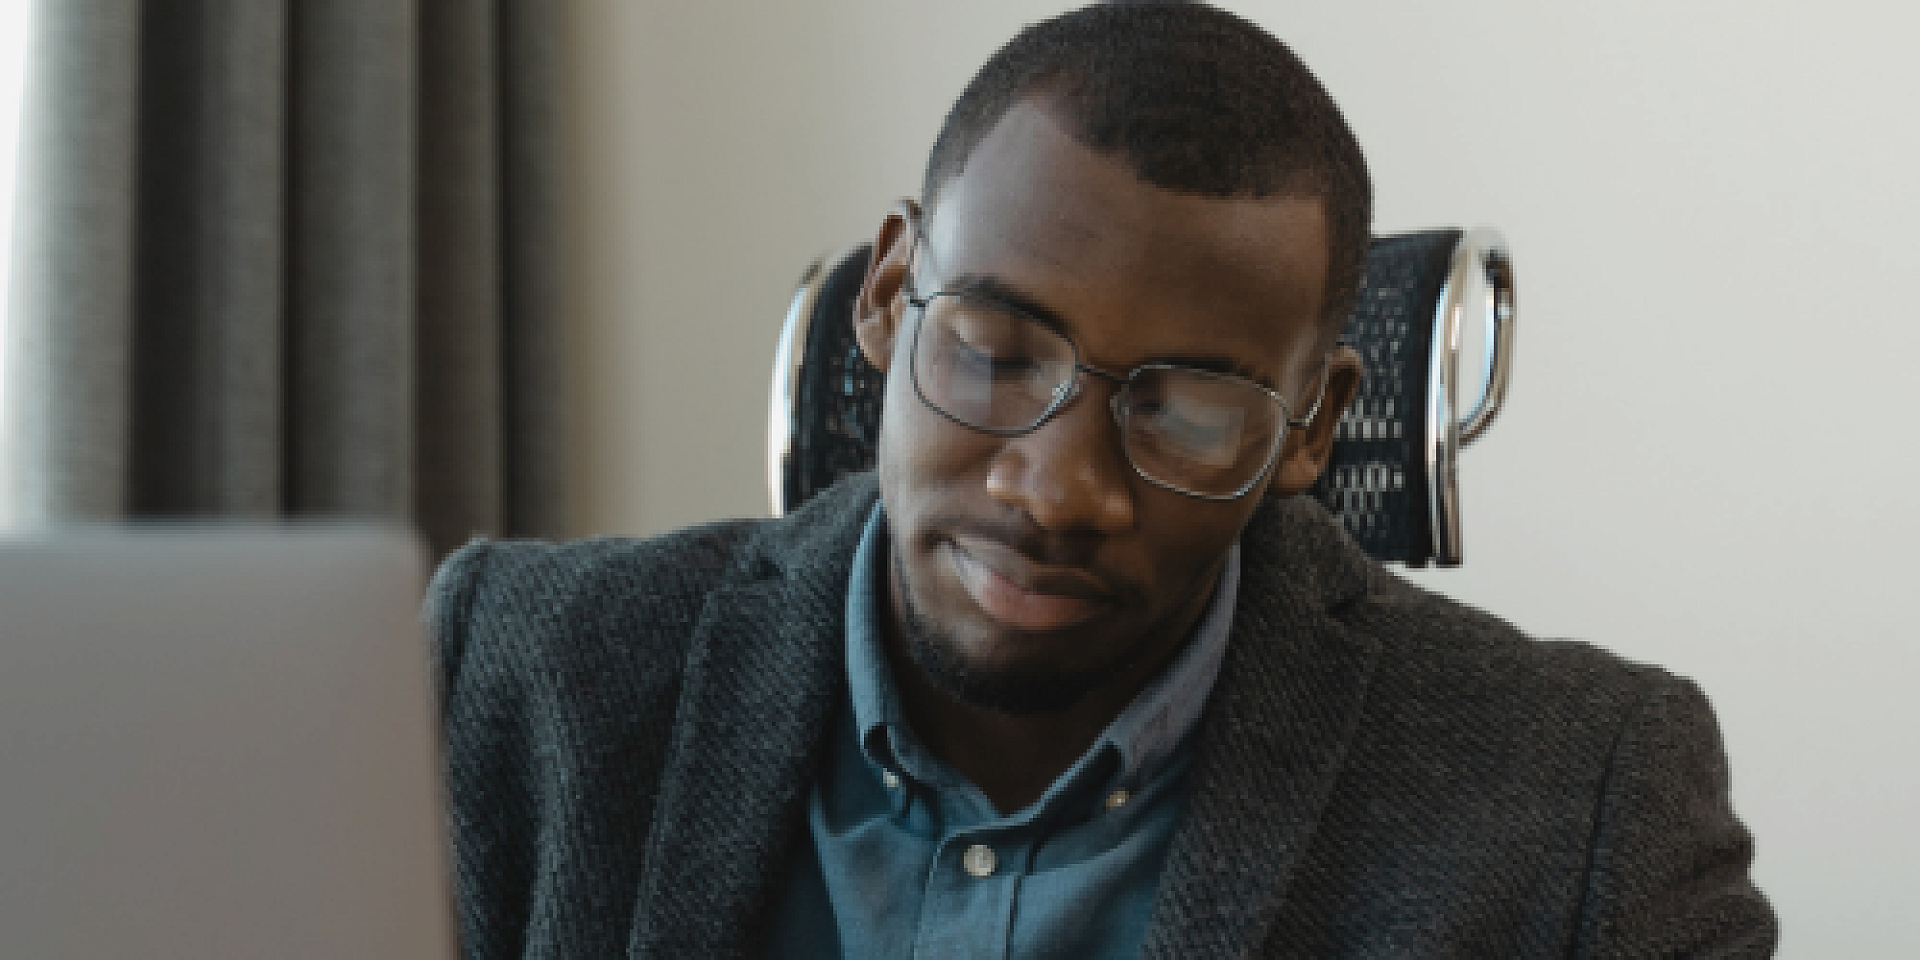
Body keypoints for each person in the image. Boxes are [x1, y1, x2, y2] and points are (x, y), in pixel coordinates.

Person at [430, 4, 1775, 957]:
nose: (1057, 492)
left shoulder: (1586, 804)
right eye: (1002, 354)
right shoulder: (511, 679)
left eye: (1187, 410)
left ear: (1314, 431)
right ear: (893, 294)